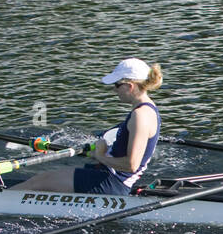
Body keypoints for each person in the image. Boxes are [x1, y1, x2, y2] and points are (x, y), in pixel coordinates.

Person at [17, 58, 162, 194]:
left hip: (113, 183)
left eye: (117, 85)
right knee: (45, 178)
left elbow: (131, 165)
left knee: (39, 181)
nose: (114, 90)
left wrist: (100, 155)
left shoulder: (140, 116)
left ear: (130, 86)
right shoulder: (149, 109)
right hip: (109, 175)